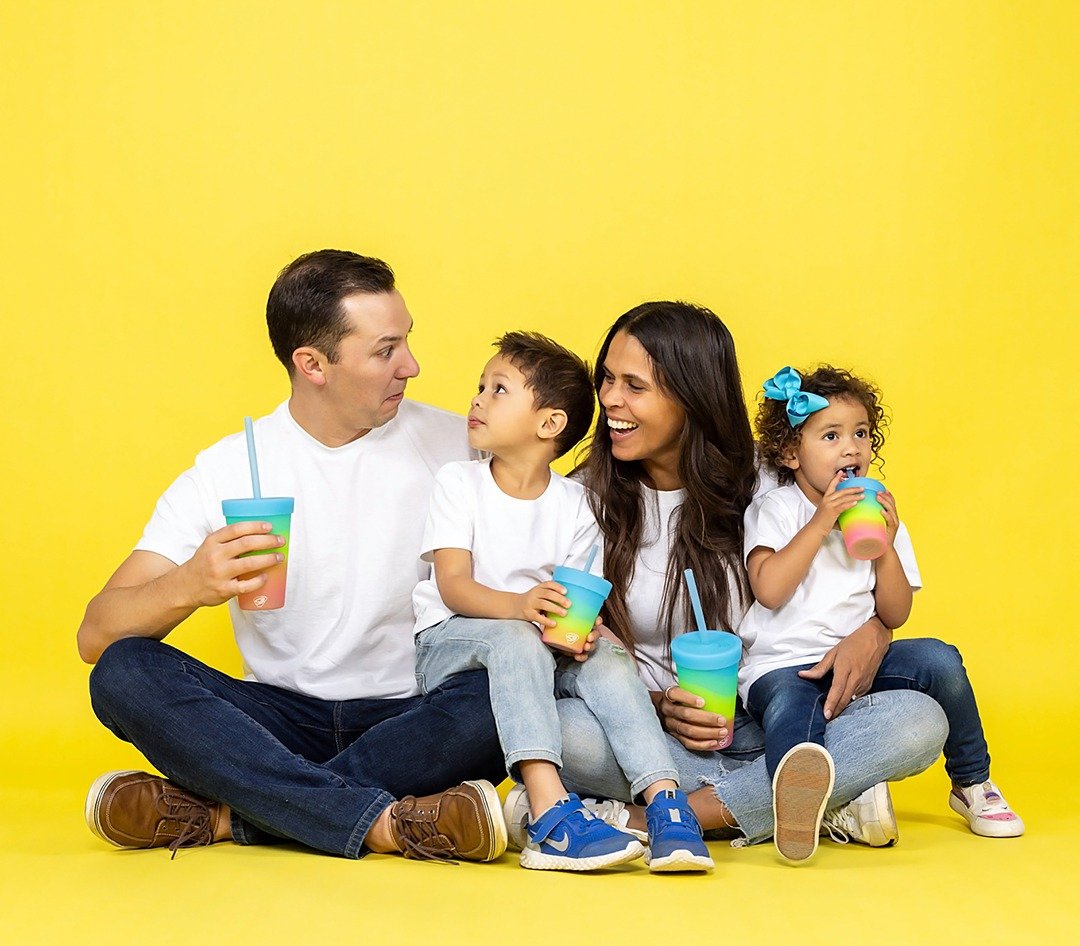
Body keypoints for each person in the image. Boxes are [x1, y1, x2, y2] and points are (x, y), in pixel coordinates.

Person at [77, 249, 509, 863]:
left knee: (509, 692)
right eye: (385, 350)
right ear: (312, 364)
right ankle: (385, 821)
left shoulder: (460, 446)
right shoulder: (228, 468)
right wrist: (190, 584)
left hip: (416, 713)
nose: (412, 365)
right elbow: (96, 635)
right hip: (272, 719)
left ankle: (237, 814)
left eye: (405, 340)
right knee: (123, 673)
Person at [525, 300, 949, 860]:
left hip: (786, 712)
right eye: (608, 378)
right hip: (656, 740)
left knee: (921, 721)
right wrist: (655, 704)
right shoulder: (583, 503)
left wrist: (875, 631)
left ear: (693, 396)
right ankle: (811, 800)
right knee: (559, 727)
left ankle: (663, 817)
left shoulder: (776, 478)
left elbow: (860, 574)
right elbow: (560, 652)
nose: (609, 400)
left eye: (635, 385)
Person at [413, 332, 713, 872]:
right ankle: (550, 815)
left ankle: (668, 806)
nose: (477, 398)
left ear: (548, 424)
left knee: (608, 658)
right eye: (480, 387)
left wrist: (588, 635)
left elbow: (578, 604)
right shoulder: (459, 483)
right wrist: (523, 606)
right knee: (515, 641)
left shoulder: (577, 504)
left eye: (497, 389)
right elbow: (453, 587)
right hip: (451, 638)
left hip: (533, 640)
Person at [740, 363, 1023, 861]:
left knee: (940, 658)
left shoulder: (881, 513)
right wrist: (821, 521)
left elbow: (895, 613)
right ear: (790, 453)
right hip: (784, 667)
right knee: (794, 717)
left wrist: (887, 547)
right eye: (831, 435)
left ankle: (972, 782)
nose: (852, 448)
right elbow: (768, 589)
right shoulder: (778, 509)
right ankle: (801, 809)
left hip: (859, 665)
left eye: (861, 434)